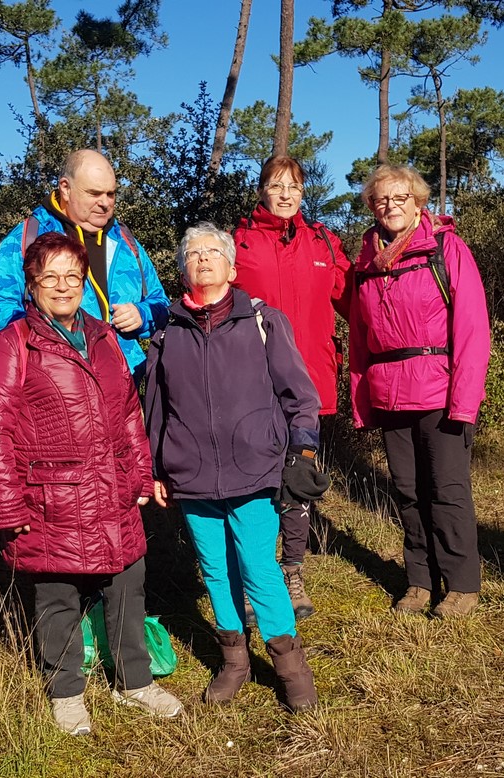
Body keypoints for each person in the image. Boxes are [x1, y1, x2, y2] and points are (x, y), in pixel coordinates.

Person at [0, 232, 184, 736]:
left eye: (72, 275)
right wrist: (7, 505)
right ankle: (66, 693)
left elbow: (128, 412)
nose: (64, 286)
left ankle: (134, 682)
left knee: (128, 585)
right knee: (58, 597)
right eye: (51, 277)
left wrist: (139, 472)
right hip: (50, 496)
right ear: (33, 285)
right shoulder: (14, 342)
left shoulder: (105, 336)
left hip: (111, 488)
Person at [142, 223, 328, 710]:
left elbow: (300, 396)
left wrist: (302, 450)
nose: (202, 259)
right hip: (193, 474)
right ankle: (234, 662)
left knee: (259, 568)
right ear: (183, 269)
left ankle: (291, 668)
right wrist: (157, 469)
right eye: (193, 254)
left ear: (231, 265)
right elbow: (156, 411)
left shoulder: (264, 322)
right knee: (215, 571)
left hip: (255, 468)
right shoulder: (166, 333)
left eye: (212, 252)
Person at [347, 165, 491, 620]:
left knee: (447, 490)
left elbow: (472, 330)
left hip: (440, 392)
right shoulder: (366, 264)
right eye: (381, 200)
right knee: (407, 492)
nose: (391, 206)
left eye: (400, 197)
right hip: (390, 393)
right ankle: (419, 581)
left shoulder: (446, 249)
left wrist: (465, 401)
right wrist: (361, 399)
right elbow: (358, 337)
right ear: (372, 207)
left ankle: (462, 585)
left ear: (419, 202)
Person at [232, 155, 351, 620]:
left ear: (304, 193)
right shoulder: (238, 243)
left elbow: (358, 299)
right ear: (261, 189)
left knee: (297, 480)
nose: (285, 195)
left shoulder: (323, 241)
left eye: (294, 187)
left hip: (310, 384)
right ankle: (251, 573)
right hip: (252, 385)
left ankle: (292, 570)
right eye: (276, 185)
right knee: (252, 483)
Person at [0, 148, 169, 373]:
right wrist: (45, 335)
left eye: (111, 194)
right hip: (55, 386)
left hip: (125, 388)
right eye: (94, 194)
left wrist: (142, 315)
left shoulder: (125, 242)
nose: (105, 203)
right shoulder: (30, 236)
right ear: (65, 188)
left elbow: (161, 303)